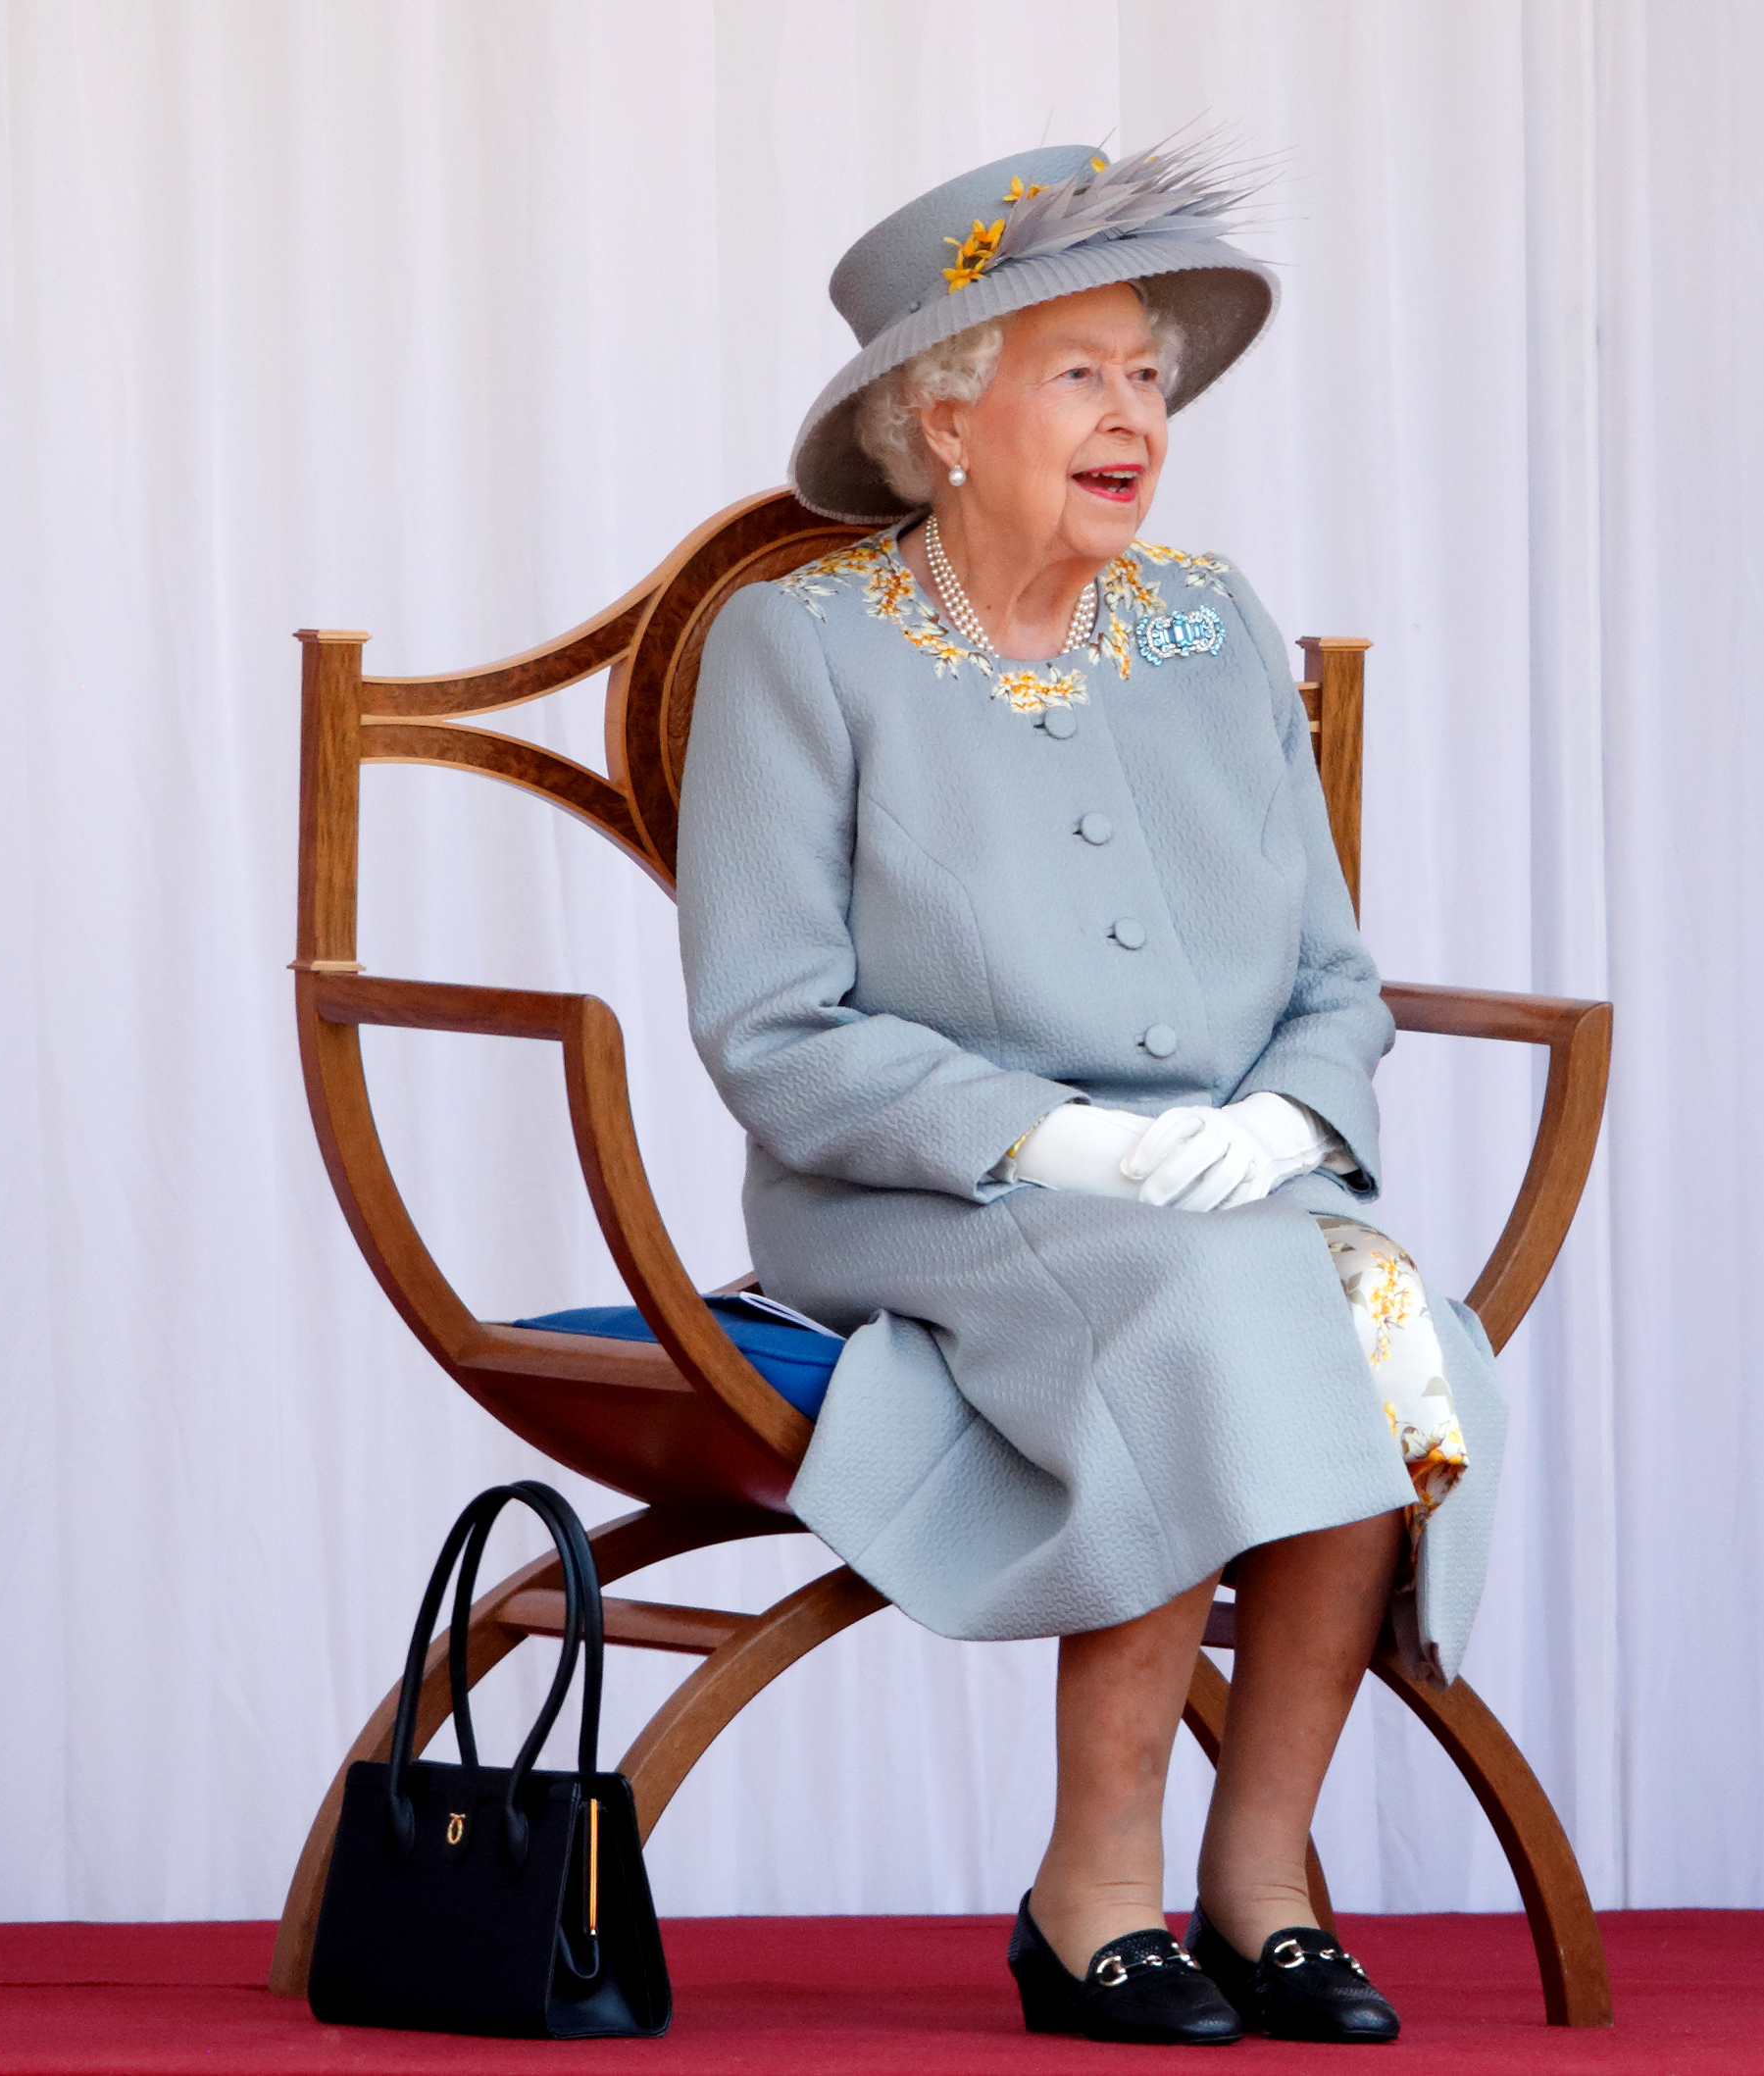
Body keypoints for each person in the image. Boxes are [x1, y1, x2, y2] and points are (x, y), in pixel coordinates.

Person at [677, 141, 1505, 2047]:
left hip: (1224, 1193)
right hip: (925, 1199)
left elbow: (1331, 979)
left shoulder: (1214, 631)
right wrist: (1057, 1138)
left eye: (1147, 373)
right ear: (942, 417)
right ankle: (1090, 1892)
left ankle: (1263, 1876)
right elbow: (772, 1025)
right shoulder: (793, 651)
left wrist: (1282, 1127)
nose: (1136, 413)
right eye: (1081, 374)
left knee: (1381, 1312)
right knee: (1220, 1313)